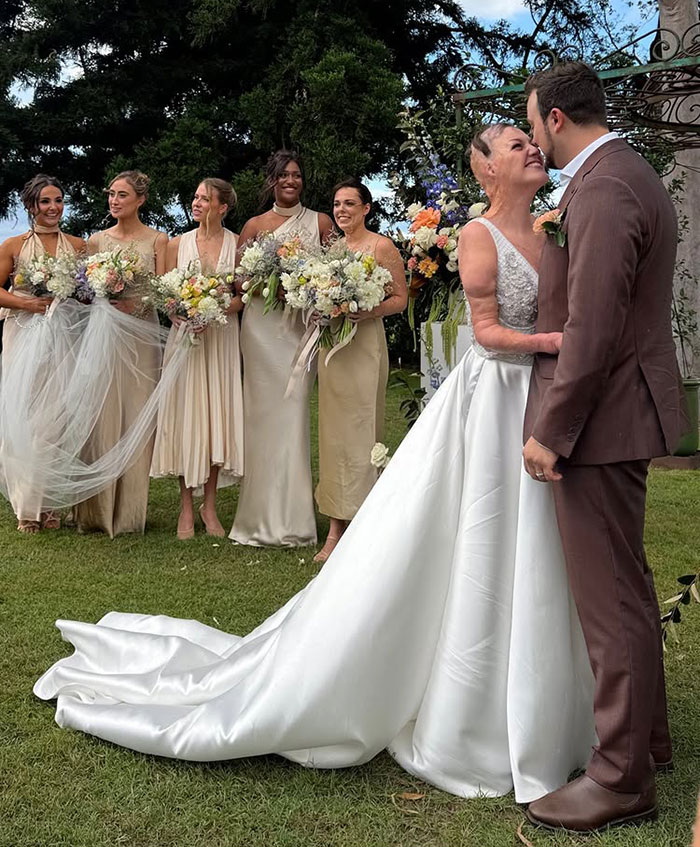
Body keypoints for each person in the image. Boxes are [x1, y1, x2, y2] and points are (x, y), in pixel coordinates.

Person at [35, 124, 596, 804]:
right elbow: (487, 330)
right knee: (474, 529)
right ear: (483, 170)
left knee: (515, 537)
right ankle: (471, 706)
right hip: (495, 395)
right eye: (514, 143)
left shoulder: (554, 231)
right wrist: (564, 341)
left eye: (528, 138)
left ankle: (530, 695)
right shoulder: (479, 236)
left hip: (528, 398)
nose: (531, 147)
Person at [522, 62, 688, 833]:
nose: (530, 138)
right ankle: (645, 740)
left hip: (603, 418)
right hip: (623, 411)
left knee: (610, 597)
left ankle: (620, 777)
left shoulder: (606, 186)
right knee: (627, 581)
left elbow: (593, 325)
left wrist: (553, 431)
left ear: (557, 118)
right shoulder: (624, 175)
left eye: (531, 123)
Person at [229, 151, 333, 547]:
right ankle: (256, 517)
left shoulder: (320, 222)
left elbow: (333, 270)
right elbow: (239, 284)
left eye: (297, 175)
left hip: (298, 331)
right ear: (271, 181)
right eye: (283, 175)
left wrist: (303, 285)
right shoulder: (255, 225)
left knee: (292, 417)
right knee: (260, 419)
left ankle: (295, 519)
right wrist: (268, 278)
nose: (291, 180)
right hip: (261, 330)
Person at [313, 179, 407, 563]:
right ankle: (336, 526)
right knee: (333, 434)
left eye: (350, 203)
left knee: (363, 430)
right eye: (337, 204)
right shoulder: (331, 249)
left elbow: (400, 299)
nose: (341, 210)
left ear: (367, 208)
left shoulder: (381, 246)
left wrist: (369, 310)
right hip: (334, 345)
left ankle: (366, 521)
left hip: (366, 345)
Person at [75, 170, 168, 537]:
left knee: (136, 418)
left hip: (142, 339)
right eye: (111, 194)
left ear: (140, 200)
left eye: (122, 195)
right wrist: (105, 296)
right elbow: (84, 291)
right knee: (103, 416)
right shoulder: (96, 241)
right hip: (105, 338)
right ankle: (95, 512)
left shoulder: (158, 240)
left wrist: (140, 303)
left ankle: (129, 515)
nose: (114, 201)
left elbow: (162, 290)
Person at [151, 178, 244, 540]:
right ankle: (185, 506)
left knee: (214, 416)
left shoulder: (237, 245)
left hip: (220, 339)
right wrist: (176, 312)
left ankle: (210, 506)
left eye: (205, 199)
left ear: (223, 207)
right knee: (184, 414)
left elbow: (243, 297)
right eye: (195, 197)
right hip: (184, 340)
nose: (197, 203)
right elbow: (164, 293)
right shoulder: (177, 244)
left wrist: (218, 310)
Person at [0, 174, 85, 532]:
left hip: (63, 338)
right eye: (46, 201)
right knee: (25, 420)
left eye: (59, 200)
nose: (53, 208)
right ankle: (28, 508)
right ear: (32, 206)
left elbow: (87, 293)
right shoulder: (13, 245)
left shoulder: (79, 246)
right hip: (23, 336)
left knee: (56, 422)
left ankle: (50, 505)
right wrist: (27, 303)